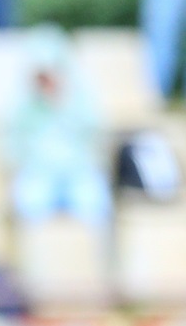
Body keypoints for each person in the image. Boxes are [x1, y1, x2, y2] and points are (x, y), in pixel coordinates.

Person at [6, 28, 111, 227]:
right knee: (31, 203)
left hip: (80, 170)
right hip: (38, 172)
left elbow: (96, 135)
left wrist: (60, 101)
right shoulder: (22, 103)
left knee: (92, 203)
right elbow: (10, 145)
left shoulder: (82, 95)